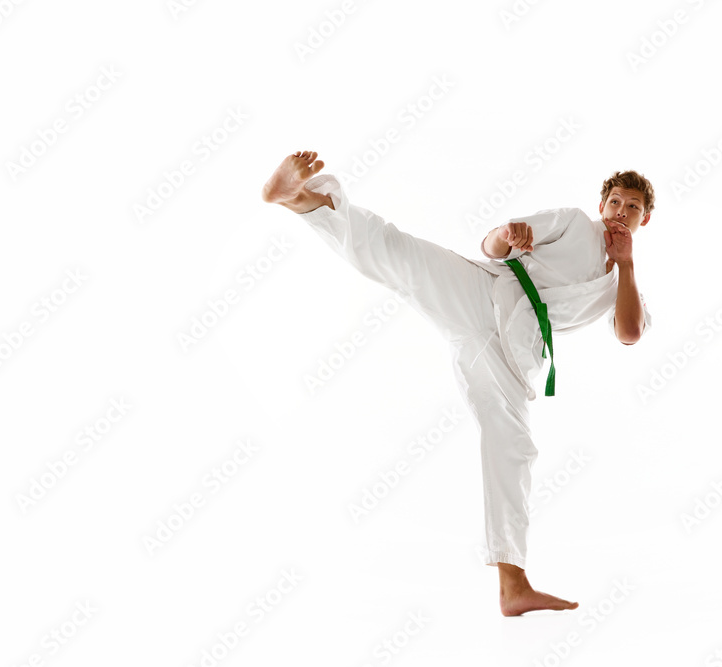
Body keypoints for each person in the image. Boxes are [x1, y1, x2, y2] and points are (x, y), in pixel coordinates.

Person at [261, 150, 654, 616]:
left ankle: (513, 585)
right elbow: (491, 244)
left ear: (645, 219)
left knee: (514, 446)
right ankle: (302, 199)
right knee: (400, 256)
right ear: (602, 205)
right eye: (615, 202)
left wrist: (625, 266)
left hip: (514, 353)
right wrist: (508, 236)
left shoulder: (623, 285)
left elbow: (630, 333)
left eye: (632, 207)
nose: (621, 213)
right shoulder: (573, 223)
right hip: (485, 291)